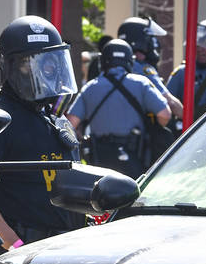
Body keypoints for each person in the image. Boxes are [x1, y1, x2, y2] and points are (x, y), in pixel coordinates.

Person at [0, 15, 86, 243]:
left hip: (66, 248)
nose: (42, 72)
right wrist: (13, 246)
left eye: (49, 62)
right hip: (23, 253)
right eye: (27, 63)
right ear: (7, 64)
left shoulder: (56, 118)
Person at [66, 38, 170, 178]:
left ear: (102, 61)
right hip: (134, 162)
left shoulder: (90, 88)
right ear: (129, 61)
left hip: (100, 162)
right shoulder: (141, 83)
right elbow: (165, 115)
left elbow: (70, 125)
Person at [117, 15, 183, 121]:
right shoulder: (142, 69)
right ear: (140, 41)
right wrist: (194, 122)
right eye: (150, 39)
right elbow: (171, 103)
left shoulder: (114, 68)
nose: (154, 44)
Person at [168, 18, 206, 127]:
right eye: (198, 42)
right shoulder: (182, 73)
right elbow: (166, 104)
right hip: (190, 134)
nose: (200, 48)